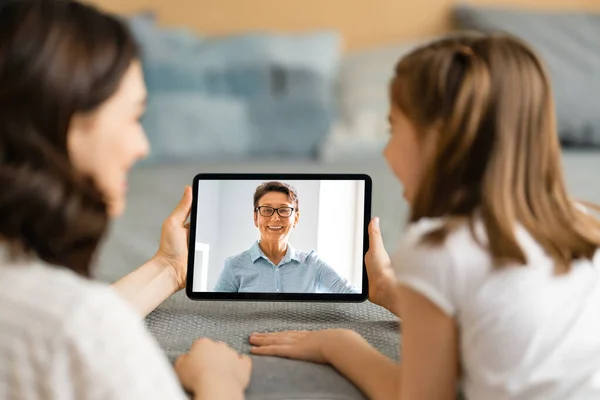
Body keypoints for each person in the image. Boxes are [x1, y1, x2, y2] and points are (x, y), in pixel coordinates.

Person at [248, 33, 600, 399]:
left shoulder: (437, 249)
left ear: (439, 139)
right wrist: (388, 290)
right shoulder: (584, 225)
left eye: (393, 127)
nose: (385, 151)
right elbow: (505, 330)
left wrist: (338, 344)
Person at [0, 1, 250, 399]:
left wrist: (169, 268)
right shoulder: (83, 328)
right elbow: (75, 329)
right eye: (134, 117)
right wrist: (217, 381)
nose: (142, 146)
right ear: (69, 121)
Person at [213, 181, 359, 293]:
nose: (275, 218)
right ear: (255, 217)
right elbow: (215, 313)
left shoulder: (313, 265)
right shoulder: (233, 266)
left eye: (283, 210)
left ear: (296, 218)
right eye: (267, 210)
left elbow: (354, 296)